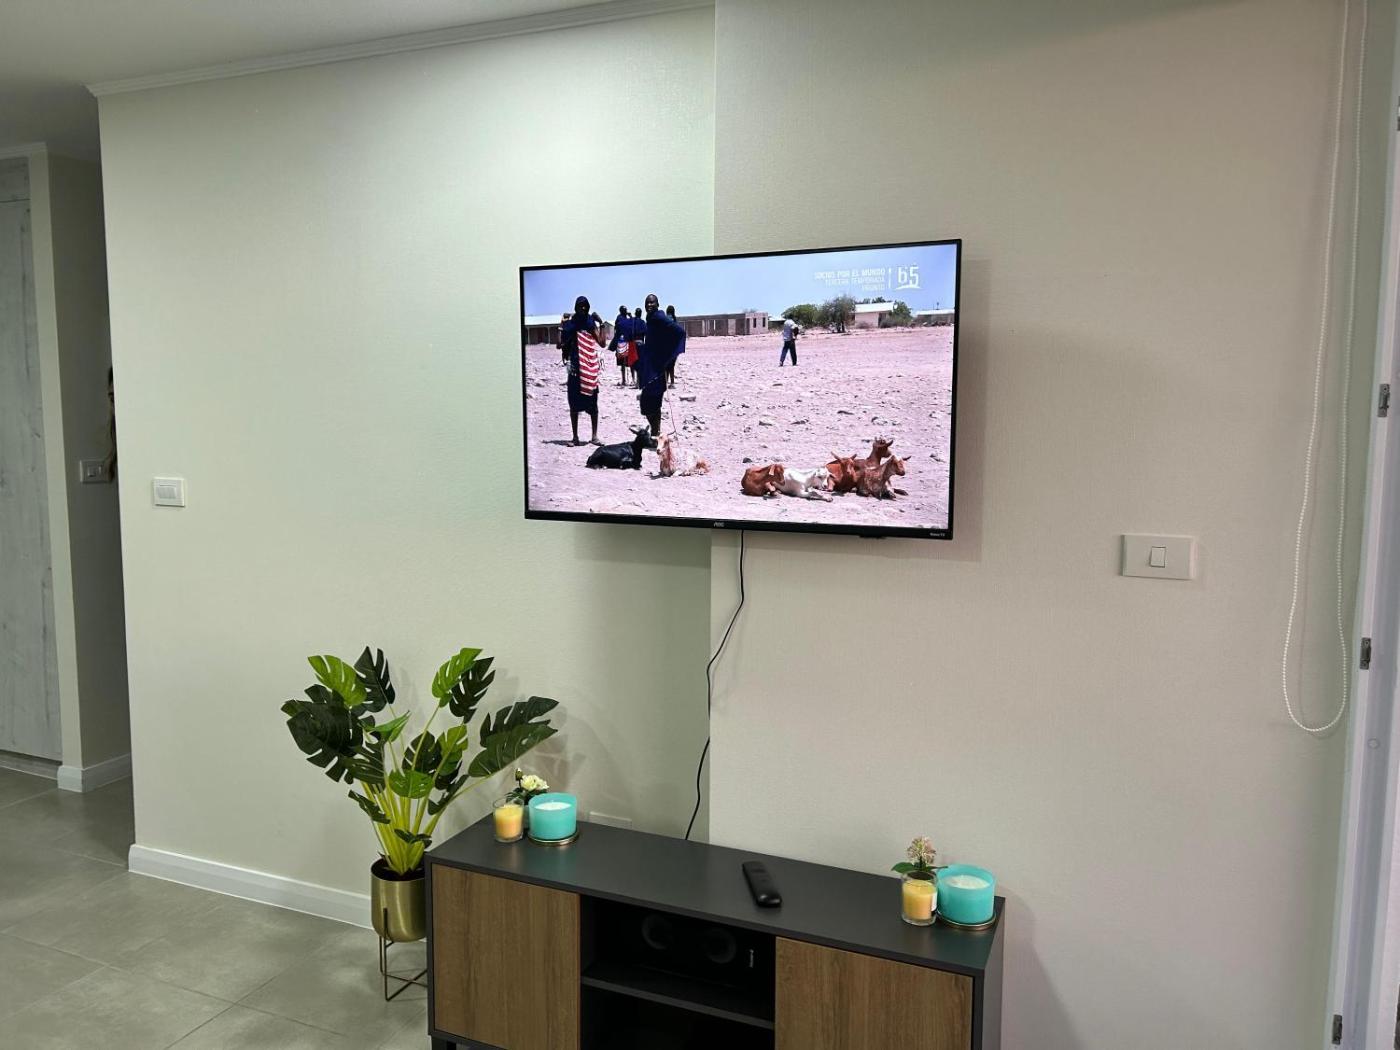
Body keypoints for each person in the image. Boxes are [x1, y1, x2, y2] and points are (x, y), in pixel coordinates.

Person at [639, 293, 686, 436]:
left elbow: (679, 332)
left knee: (650, 400)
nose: (649, 305)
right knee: (652, 401)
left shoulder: (659, 317)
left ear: (658, 304)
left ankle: (655, 432)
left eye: (652, 302)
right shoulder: (651, 319)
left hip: (657, 367)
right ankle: (656, 432)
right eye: (647, 303)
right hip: (651, 366)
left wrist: (667, 355)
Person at [560, 296, 604, 445]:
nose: (583, 308)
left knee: (593, 401)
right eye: (580, 306)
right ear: (576, 307)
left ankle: (594, 436)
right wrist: (562, 326)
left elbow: (602, 343)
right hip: (574, 366)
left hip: (589, 367)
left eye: (585, 306)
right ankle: (575, 437)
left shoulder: (590, 322)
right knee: (573, 402)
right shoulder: (571, 324)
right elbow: (560, 343)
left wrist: (601, 323)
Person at [608, 304, 632, 387]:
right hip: (623, 342)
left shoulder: (620, 319)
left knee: (623, 363)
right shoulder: (623, 319)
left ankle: (624, 380)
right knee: (624, 362)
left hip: (621, 342)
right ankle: (625, 380)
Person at [665, 304, 682, 388]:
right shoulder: (675, 321)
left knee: (666, 365)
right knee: (671, 365)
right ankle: (672, 383)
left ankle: (666, 382)